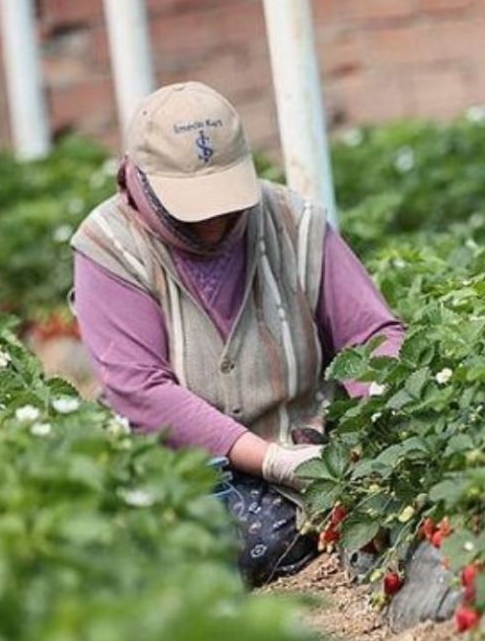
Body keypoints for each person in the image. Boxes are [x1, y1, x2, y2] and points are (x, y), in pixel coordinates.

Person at [70, 82, 405, 587]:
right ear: (139, 180)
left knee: (278, 532)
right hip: (184, 477)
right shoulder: (110, 248)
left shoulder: (294, 222)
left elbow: (371, 333)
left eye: (225, 197)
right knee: (185, 549)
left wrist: (390, 413)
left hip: (308, 455)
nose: (214, 220)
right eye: (191, 203)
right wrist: (268, 459)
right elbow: (140, 389)